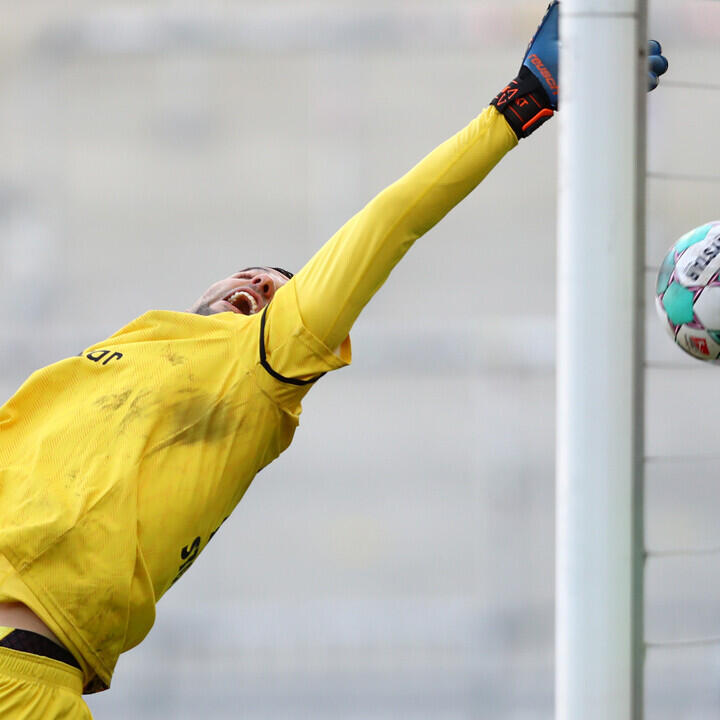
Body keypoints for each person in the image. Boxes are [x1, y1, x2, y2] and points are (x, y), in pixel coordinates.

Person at [0, 3, 667, 717]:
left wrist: (518, 104)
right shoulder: (115, 356)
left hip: (27, 678)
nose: (259, 282)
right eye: (250, 271)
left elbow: (390, 222)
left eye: (281, 287)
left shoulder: (258, 370)